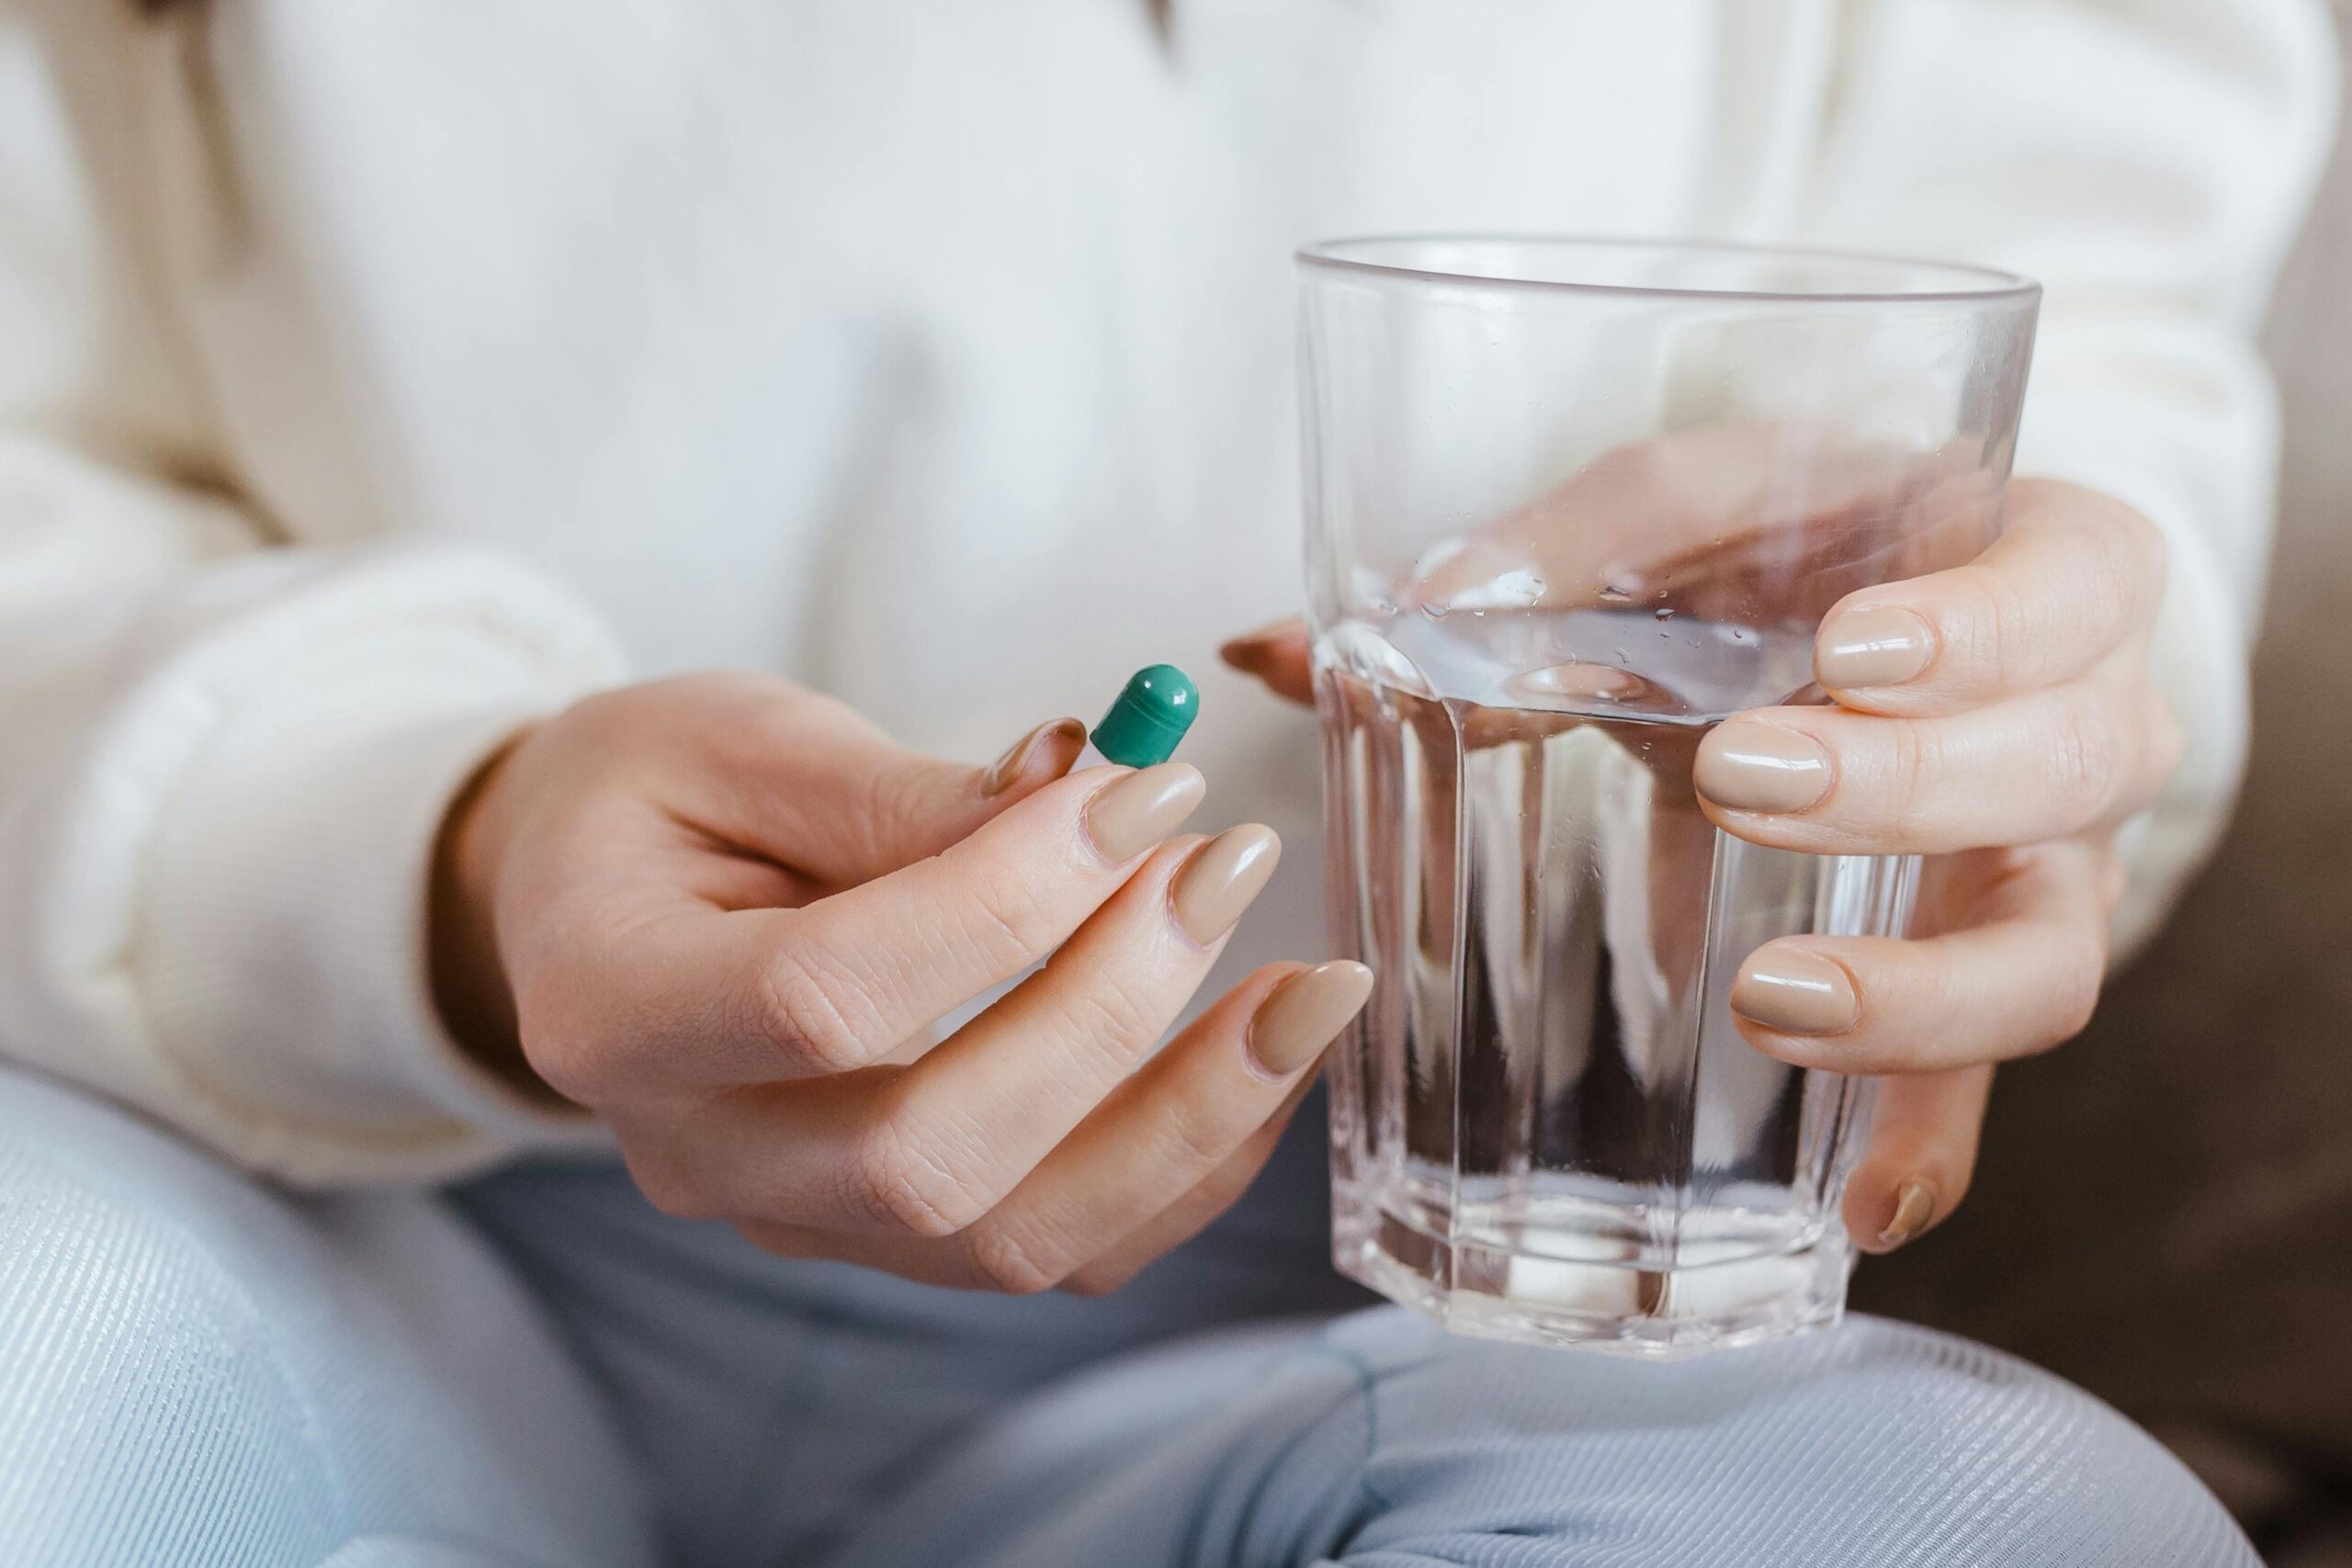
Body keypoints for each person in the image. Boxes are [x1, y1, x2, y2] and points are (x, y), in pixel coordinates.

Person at [0, 2, 2333, 1564]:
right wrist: (436, 837)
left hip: (1400, 1311)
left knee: (1996, 1526)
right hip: (336, 1224)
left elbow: (2066, 279)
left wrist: (1971, 653)